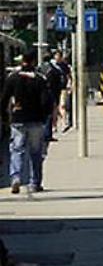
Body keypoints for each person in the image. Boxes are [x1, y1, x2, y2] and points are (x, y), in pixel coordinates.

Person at [3, 53, 50, 194]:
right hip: (36, 120)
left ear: (22, 61)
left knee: (17, 150)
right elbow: (46, 101)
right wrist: (44, 117)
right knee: (35, 153)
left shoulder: (13, 78)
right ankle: (34, 183)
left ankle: (15, 177)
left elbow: (4, 98)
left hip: (18, 119)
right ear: (34, 62)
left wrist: (4, 115)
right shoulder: (40, 79)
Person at [42, 51, 66, 143]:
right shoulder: (55, 70)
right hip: (51, 95)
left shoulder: (39, 69)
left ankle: (44, 134)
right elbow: (60, 82)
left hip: (41, 95)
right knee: (49, 115)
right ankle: (47, 134)